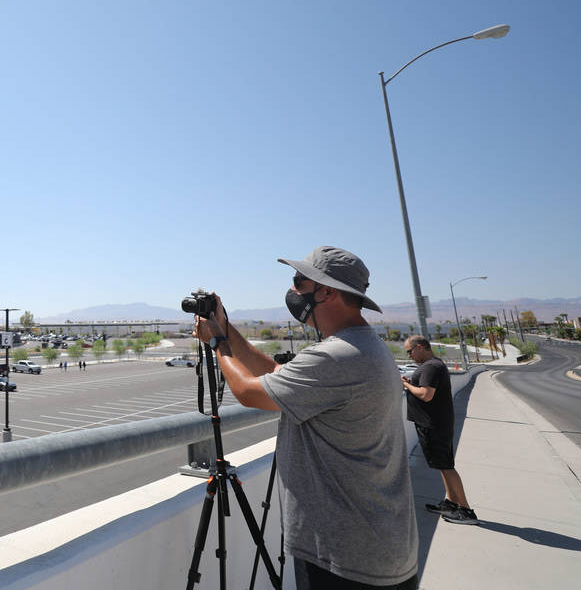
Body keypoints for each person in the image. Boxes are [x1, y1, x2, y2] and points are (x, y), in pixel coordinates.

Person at [193, 246, 418, 589]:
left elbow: (247, 392)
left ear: (327, 292)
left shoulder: (337, 357)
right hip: (374, 547)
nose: (294, 290)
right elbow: (272, 371)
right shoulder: (361, 347)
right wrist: (226, 328)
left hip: (344, 560)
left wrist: (217, 343)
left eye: (299, 281)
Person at [402, 335, 478, 525]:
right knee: (442, 466)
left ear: (420, 347)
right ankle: (451, 504)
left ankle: (467, 511)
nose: (409, 355)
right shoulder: (434, 365)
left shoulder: (431, 367)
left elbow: (426, 395)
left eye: (409, 351)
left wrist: (406, 385)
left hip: (433, 425)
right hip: (434, 424)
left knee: (446, 466)